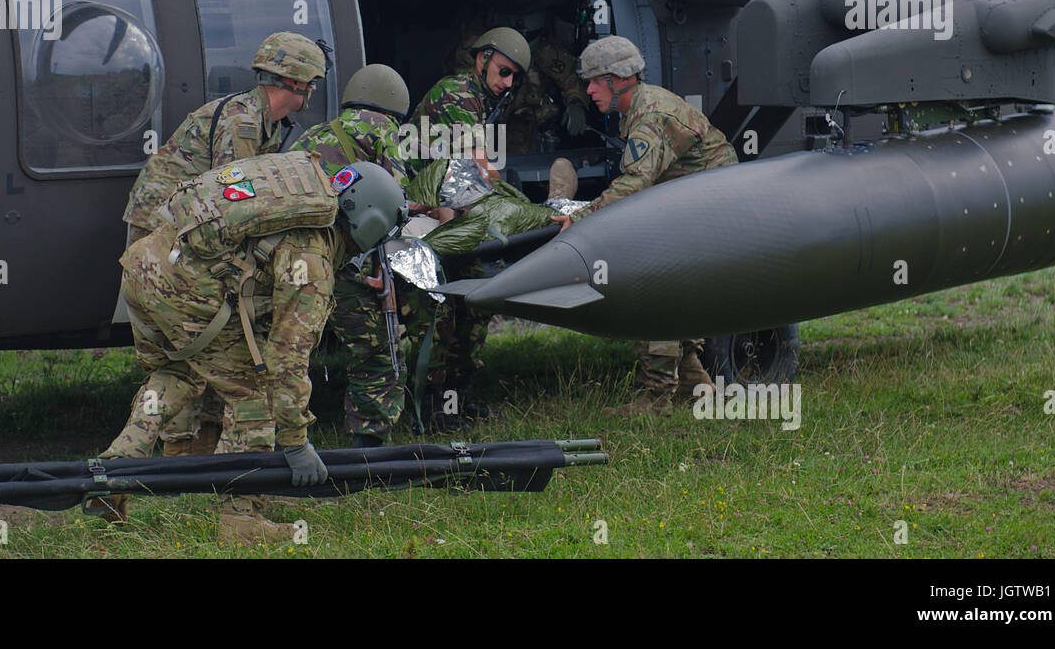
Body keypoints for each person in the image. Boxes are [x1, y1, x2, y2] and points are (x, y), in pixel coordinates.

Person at [102, 154, 407, 544]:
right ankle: (240, 520)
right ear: (370, 224)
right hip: (183, 291)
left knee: (177, 373)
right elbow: (286, 358)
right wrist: (296, 443)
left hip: (145, 268)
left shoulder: (302, 194)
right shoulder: (312, 258)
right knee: (255, 393)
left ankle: (115, 470)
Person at [114, 31, 325, 480]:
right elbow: (232, 211)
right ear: (300, 83)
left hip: (173, 238)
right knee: (198, 347)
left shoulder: (257, 119)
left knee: (185, 356)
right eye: (312, 84)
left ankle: (155, 455)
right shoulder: (243, 125)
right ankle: (188, 458)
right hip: (166, 241)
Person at [552, 35, 737, 414]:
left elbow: (636, 183)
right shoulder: (640, 107)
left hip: (706, 213)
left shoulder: (649, 115)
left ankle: (656, 398)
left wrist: (580, 219)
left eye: (594, 80)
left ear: (619, 78)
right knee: (675, 294)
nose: (588, 90)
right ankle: (692, 382)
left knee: (653, 287)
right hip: (700, 209)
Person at [407, 27, 531, 427]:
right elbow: (479, 164)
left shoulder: (480, 97)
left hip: (446, 208)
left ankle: (455, 399)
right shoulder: (457, 93)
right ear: (482, 59)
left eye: (514, 76)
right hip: (421, 213)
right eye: (503, 71)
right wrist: (528, 211)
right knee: (446, 305)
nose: (508, 83)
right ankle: (435, 406)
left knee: (471, 302)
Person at [290, 64, 413, 448]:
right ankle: (368, 445)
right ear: (393, 106)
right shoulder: (384, 130)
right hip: (343, 258)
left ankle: (276, 441)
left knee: (289, 349)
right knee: (378, 349)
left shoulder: (312, 133)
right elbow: (393, 204)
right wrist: (384, 271)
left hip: (292, 259)